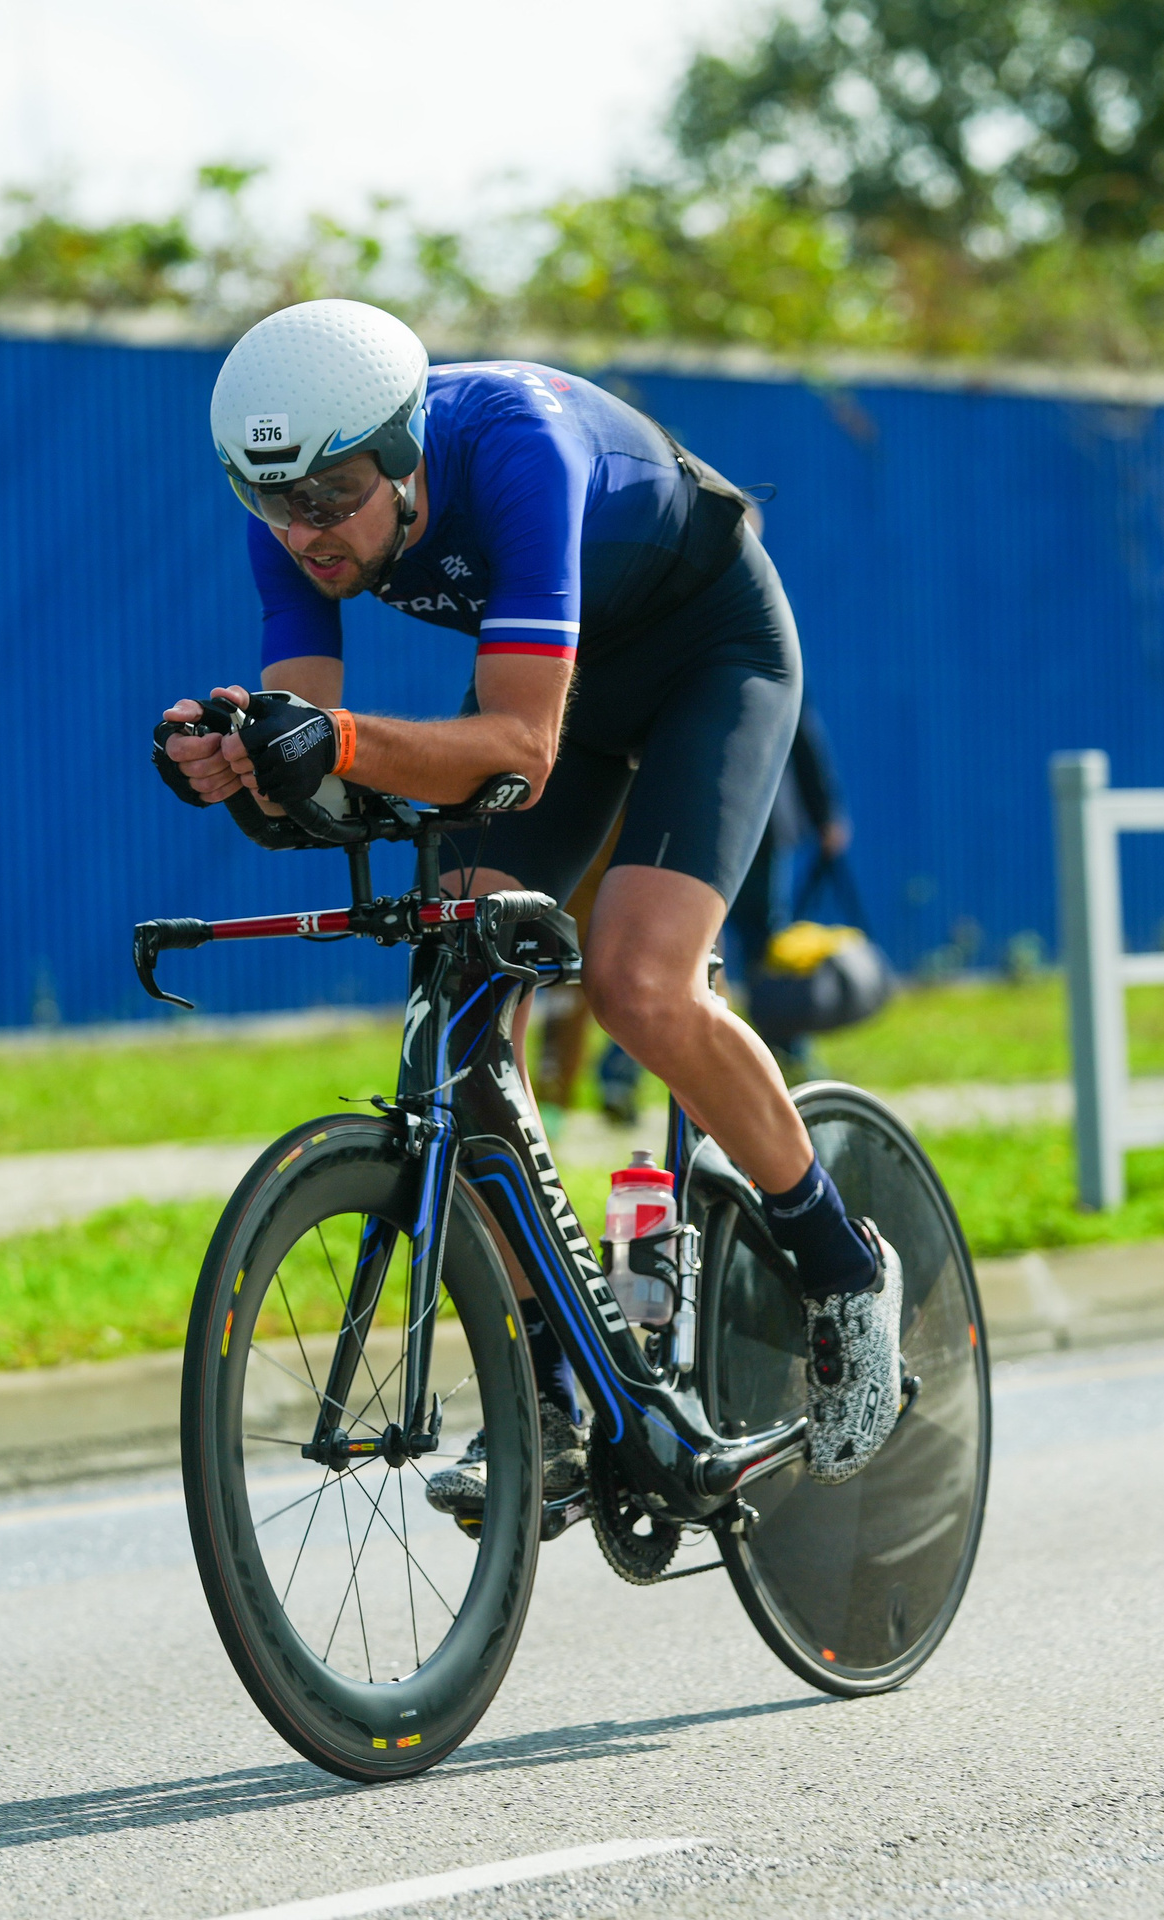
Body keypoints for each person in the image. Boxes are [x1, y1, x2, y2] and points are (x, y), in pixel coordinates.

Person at [151, 299, 904, 1507]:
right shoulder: (296, 520)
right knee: (457, 993)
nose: (307, 533)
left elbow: (515, 746)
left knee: (636, 986)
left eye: (335, 493)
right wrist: (245, 766)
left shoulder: (513, 446)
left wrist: (324, 738)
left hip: (708, 656)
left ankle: (842, 1269)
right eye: (272, 500)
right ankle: (554, 1388)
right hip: (562, 685)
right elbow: (317, 781)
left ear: (402, 457)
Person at [727, 700, 851, 1080]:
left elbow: (798, 727)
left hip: (752, 820)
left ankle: (786, 1047)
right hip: (748, 818)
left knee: (761, 940)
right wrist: (825, 813)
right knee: (759, 938)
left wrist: (825, 811)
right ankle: (787, 1047)